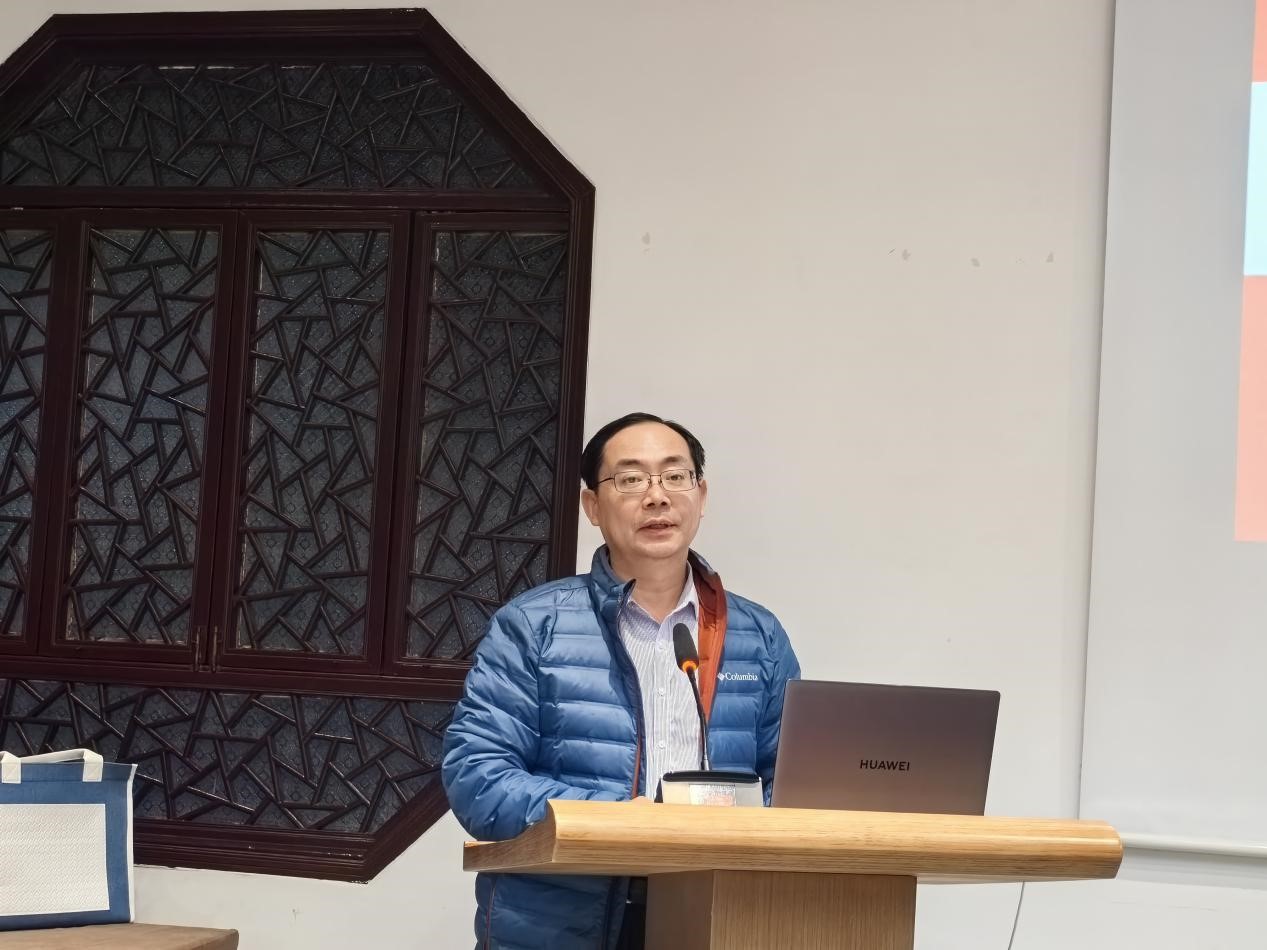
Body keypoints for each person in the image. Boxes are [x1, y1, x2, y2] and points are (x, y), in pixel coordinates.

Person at [442, 412, 800, 950]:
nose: (657, 496)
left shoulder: (759, 635)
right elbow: (477, 775)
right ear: (593, 506)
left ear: (701, 496)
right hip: (562, 923)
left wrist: (741, 824)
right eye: (631, 479)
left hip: (715, 911)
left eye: (675, 476)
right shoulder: (534, 626)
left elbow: (791, 784)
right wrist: (613, 817)